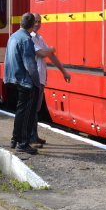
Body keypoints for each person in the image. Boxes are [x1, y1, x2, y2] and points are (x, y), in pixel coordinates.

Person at [26, 17, 70, 148]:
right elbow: (43, 53)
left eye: (39, 21)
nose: (37, 24)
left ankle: (34, 135)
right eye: (35, 21)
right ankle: (30, 137)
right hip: (33, 78)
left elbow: (51, 55)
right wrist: (51, 48)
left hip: (41, 78)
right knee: (32, 109)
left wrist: (64, 71)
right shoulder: (30, 37)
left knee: (36, 109)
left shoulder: (39, 37)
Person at [3, 12, 41, 155]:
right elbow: (30, 64)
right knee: (27, 113)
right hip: (25, 81)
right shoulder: (26, 40)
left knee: (20, 111)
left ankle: (15, 139)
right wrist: (36, 82)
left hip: (13, 78)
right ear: (32, 25)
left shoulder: (13, 37)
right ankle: (23, 143)